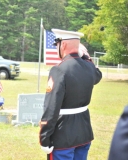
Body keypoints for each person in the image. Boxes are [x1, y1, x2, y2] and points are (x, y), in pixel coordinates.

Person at [39, 29, 102, 160]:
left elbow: (51, 107)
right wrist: (87, 58)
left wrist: (44, 137)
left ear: (63, 45)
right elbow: (98, 76)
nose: (56, 48)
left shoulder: (59, 69)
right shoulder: (89, 66)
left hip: (63, 135)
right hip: (84, 132)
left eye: (56, 44)